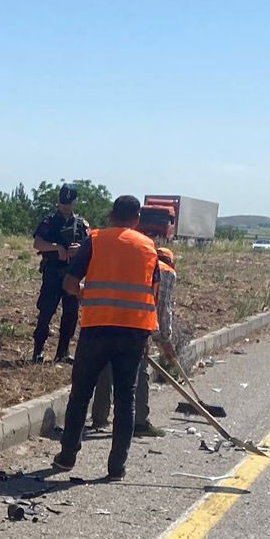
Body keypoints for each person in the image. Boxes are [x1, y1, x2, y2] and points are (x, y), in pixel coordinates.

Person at [50, 193, 164, 483]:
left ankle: (67, 457)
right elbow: (154, 292)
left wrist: (85, 294)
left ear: (111, 215)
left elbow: (70, 282)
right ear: (137, 219)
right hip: (134, 332)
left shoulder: (96, 240)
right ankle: (116, 467)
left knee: (81, 393)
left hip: (98, 328)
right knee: (126, 398)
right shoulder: (149, 247)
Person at [91, 202, 177, 437]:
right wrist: (164, 341)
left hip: (105, 319)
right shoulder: (167, 274)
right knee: (137, 376)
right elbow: (161, 309)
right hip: (137, 325)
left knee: (104, 369)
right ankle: (139, 421)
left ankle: (99, 417)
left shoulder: (133, 257)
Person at [31, 182, 88, 363]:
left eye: (69, 203)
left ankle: (62, 352)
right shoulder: (50, 221)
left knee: (71, 314)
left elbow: (90, 246)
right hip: (53, 272)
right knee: (46, 312)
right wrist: (55, 248)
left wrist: (79, 249)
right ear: (58, 201)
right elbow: (37, 243)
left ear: (75, 202)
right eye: (63, 202)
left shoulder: (81, 224)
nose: (66, 206)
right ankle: (38, 351)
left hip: (72, 274)